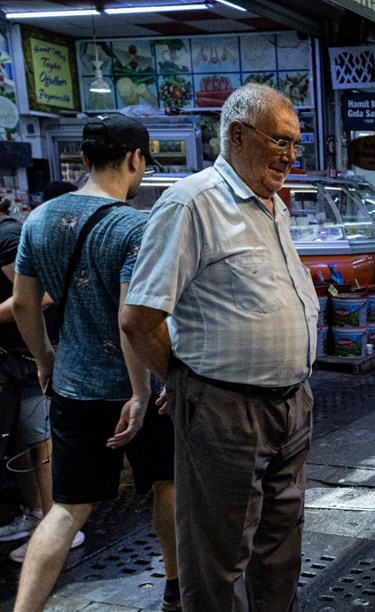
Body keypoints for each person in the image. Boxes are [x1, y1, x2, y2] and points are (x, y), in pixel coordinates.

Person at [120, 84, 319, 612]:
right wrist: (186, 383)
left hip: (291, 404)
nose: (290, 155)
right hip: (226, 410)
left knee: (279, 549)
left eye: (296, 144)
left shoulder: (274, 204)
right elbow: (139, 319)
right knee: (219, 555)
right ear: (237, 134)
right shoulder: (192, 203)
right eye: (281, 141)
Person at [11, 114, 178, 612]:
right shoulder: (137, 226)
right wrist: (141, 391)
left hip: (73, 387)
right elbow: (133, 321)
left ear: (83, 159)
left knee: (66, 509)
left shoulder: (38, 219)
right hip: (138, 392)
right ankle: (175, 589)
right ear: (134, 159)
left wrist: (45, 360)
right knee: (168, 486)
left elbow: (24, 304)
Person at [0, 198, 58, 560]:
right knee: (25, 439)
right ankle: (36, 514)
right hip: (15, 359)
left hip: (29, 356)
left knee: (41, 440)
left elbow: (42, 296)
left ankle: (56, 525)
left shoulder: (8, 235)